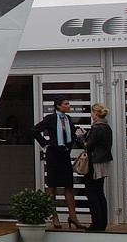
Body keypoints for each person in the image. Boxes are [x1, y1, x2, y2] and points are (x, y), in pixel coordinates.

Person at [33, 98, 84, 229]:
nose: (69, 106)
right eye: (66, 104)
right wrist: (46, 144)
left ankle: (73, 216)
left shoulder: (68, 119)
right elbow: (34, 130)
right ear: (58, 106)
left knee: (68, 185)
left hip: (65, 154)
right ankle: (54, 216)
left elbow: (72, 134)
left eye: (68, 103)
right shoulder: (50, 118)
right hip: (53, 155)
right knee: (52, 186)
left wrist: (77, 138)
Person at [82, 103, 113, 232]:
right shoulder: (106, 127)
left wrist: (80, 137)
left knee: (91, 192)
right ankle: (102, 222)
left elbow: (88, 146)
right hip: (103, 161)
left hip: (94, 163)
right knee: (100, 192)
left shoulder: (97, 128)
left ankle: (96, 223)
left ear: (95, 113)